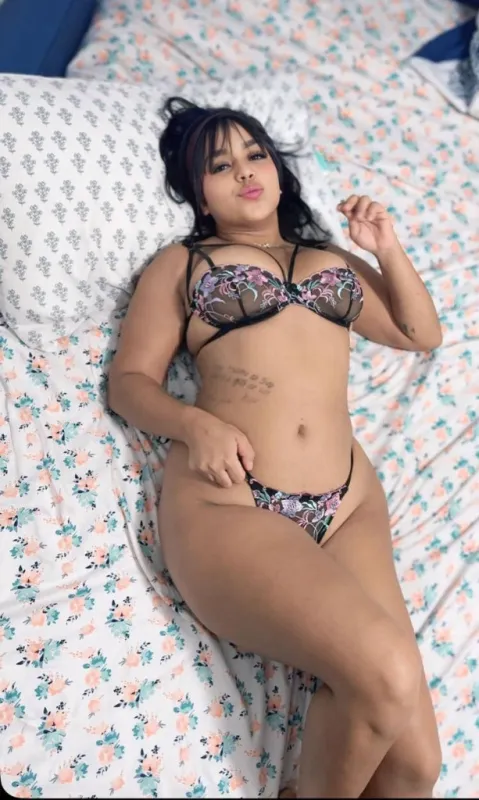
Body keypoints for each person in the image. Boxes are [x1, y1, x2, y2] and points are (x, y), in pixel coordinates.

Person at [108, 97, 443, 798]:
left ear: (279, 170)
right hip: (232, 505)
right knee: (385, 673)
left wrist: (383, 247)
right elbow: (129, 383)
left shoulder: (331, 259)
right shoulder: (181, 264)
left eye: (255, 154)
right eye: (219, 165)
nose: (244, 171)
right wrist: (193, 425)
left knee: (415, 767)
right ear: (198, 193)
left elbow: (420, 334)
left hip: (347, 506)